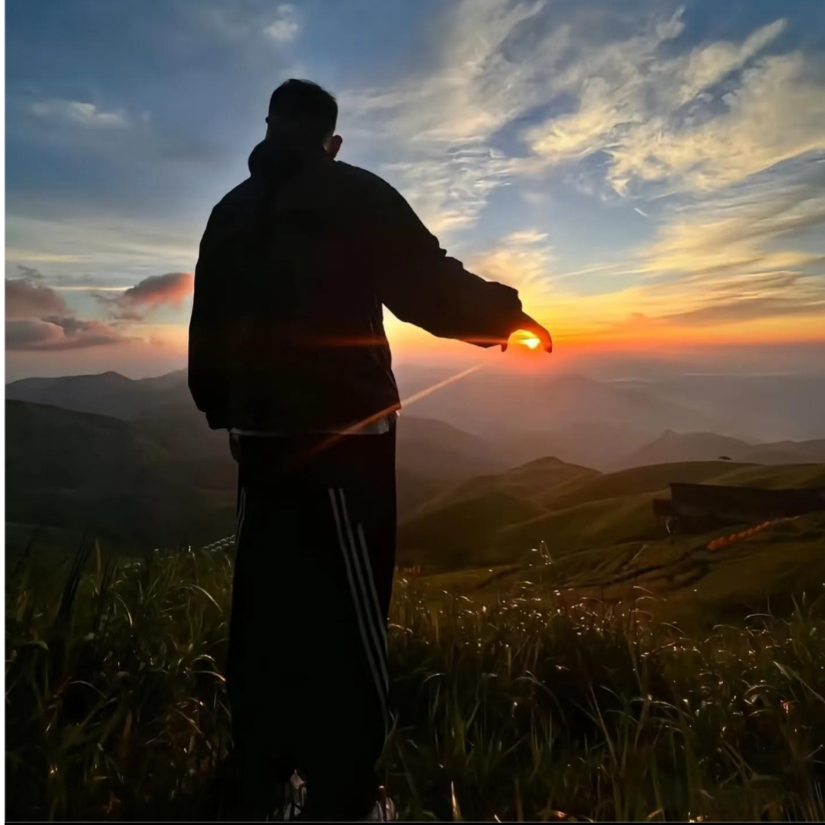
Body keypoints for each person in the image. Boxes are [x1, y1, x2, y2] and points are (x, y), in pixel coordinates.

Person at [188, 79, 551, 822]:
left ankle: (259, 784)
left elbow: (206, 329)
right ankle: (345, 799)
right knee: (348, 621)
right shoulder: (352, 192)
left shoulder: (228, 211)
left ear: (268, 127)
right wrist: (505, 316)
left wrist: (225, 409)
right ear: (331, 140)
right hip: (343, 443)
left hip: (258, 446)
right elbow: (427, 283)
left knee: (265, 613)